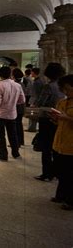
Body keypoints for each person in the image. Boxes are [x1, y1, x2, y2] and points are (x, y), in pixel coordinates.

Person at [33, 62, 66, 181]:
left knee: (46, 148)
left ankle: (47, 173)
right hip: (60, 119)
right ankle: (57, 172)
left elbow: (41, 102)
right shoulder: (63, 87)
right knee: (56, 147)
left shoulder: (49, 86)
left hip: (47, 120)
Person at [0, 66, 25, 161]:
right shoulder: (17, 86)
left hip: (0, 114)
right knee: (13, 134)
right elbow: (22, 100)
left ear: (0, 75)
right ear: (10, 74)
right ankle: (16, 153)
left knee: (0, 135)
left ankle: (3, 155)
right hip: (12, 114)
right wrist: (13, 103)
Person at [50, 75, 73, 210]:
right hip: (59, 142)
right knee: (61, 172)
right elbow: (59, 121)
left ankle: (70, 200)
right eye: (63, 89)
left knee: (70, 174)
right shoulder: (63, 102)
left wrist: (66, 118)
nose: (65, 91)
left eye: (68, 89)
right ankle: (60, 196)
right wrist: (55, 118)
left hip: (71, 145)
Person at [26, 67, 44, 132]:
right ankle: (31, 127)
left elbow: (37, 93)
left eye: (31, 72)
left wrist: (34, 102)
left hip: (34, 100)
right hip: (34, 99)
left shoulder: (37, 82)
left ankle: (31, 128)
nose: (31, 73)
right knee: (33, 115)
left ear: (33, 72)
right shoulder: (39, 81)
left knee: (32, 115)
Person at [12, 68, 26, 146]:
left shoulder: (17, 85)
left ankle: (16, 142)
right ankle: (20, 141)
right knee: (19, 124)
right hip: (21, 107)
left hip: (17, 107)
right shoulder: (21, 84)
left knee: (16, 125)